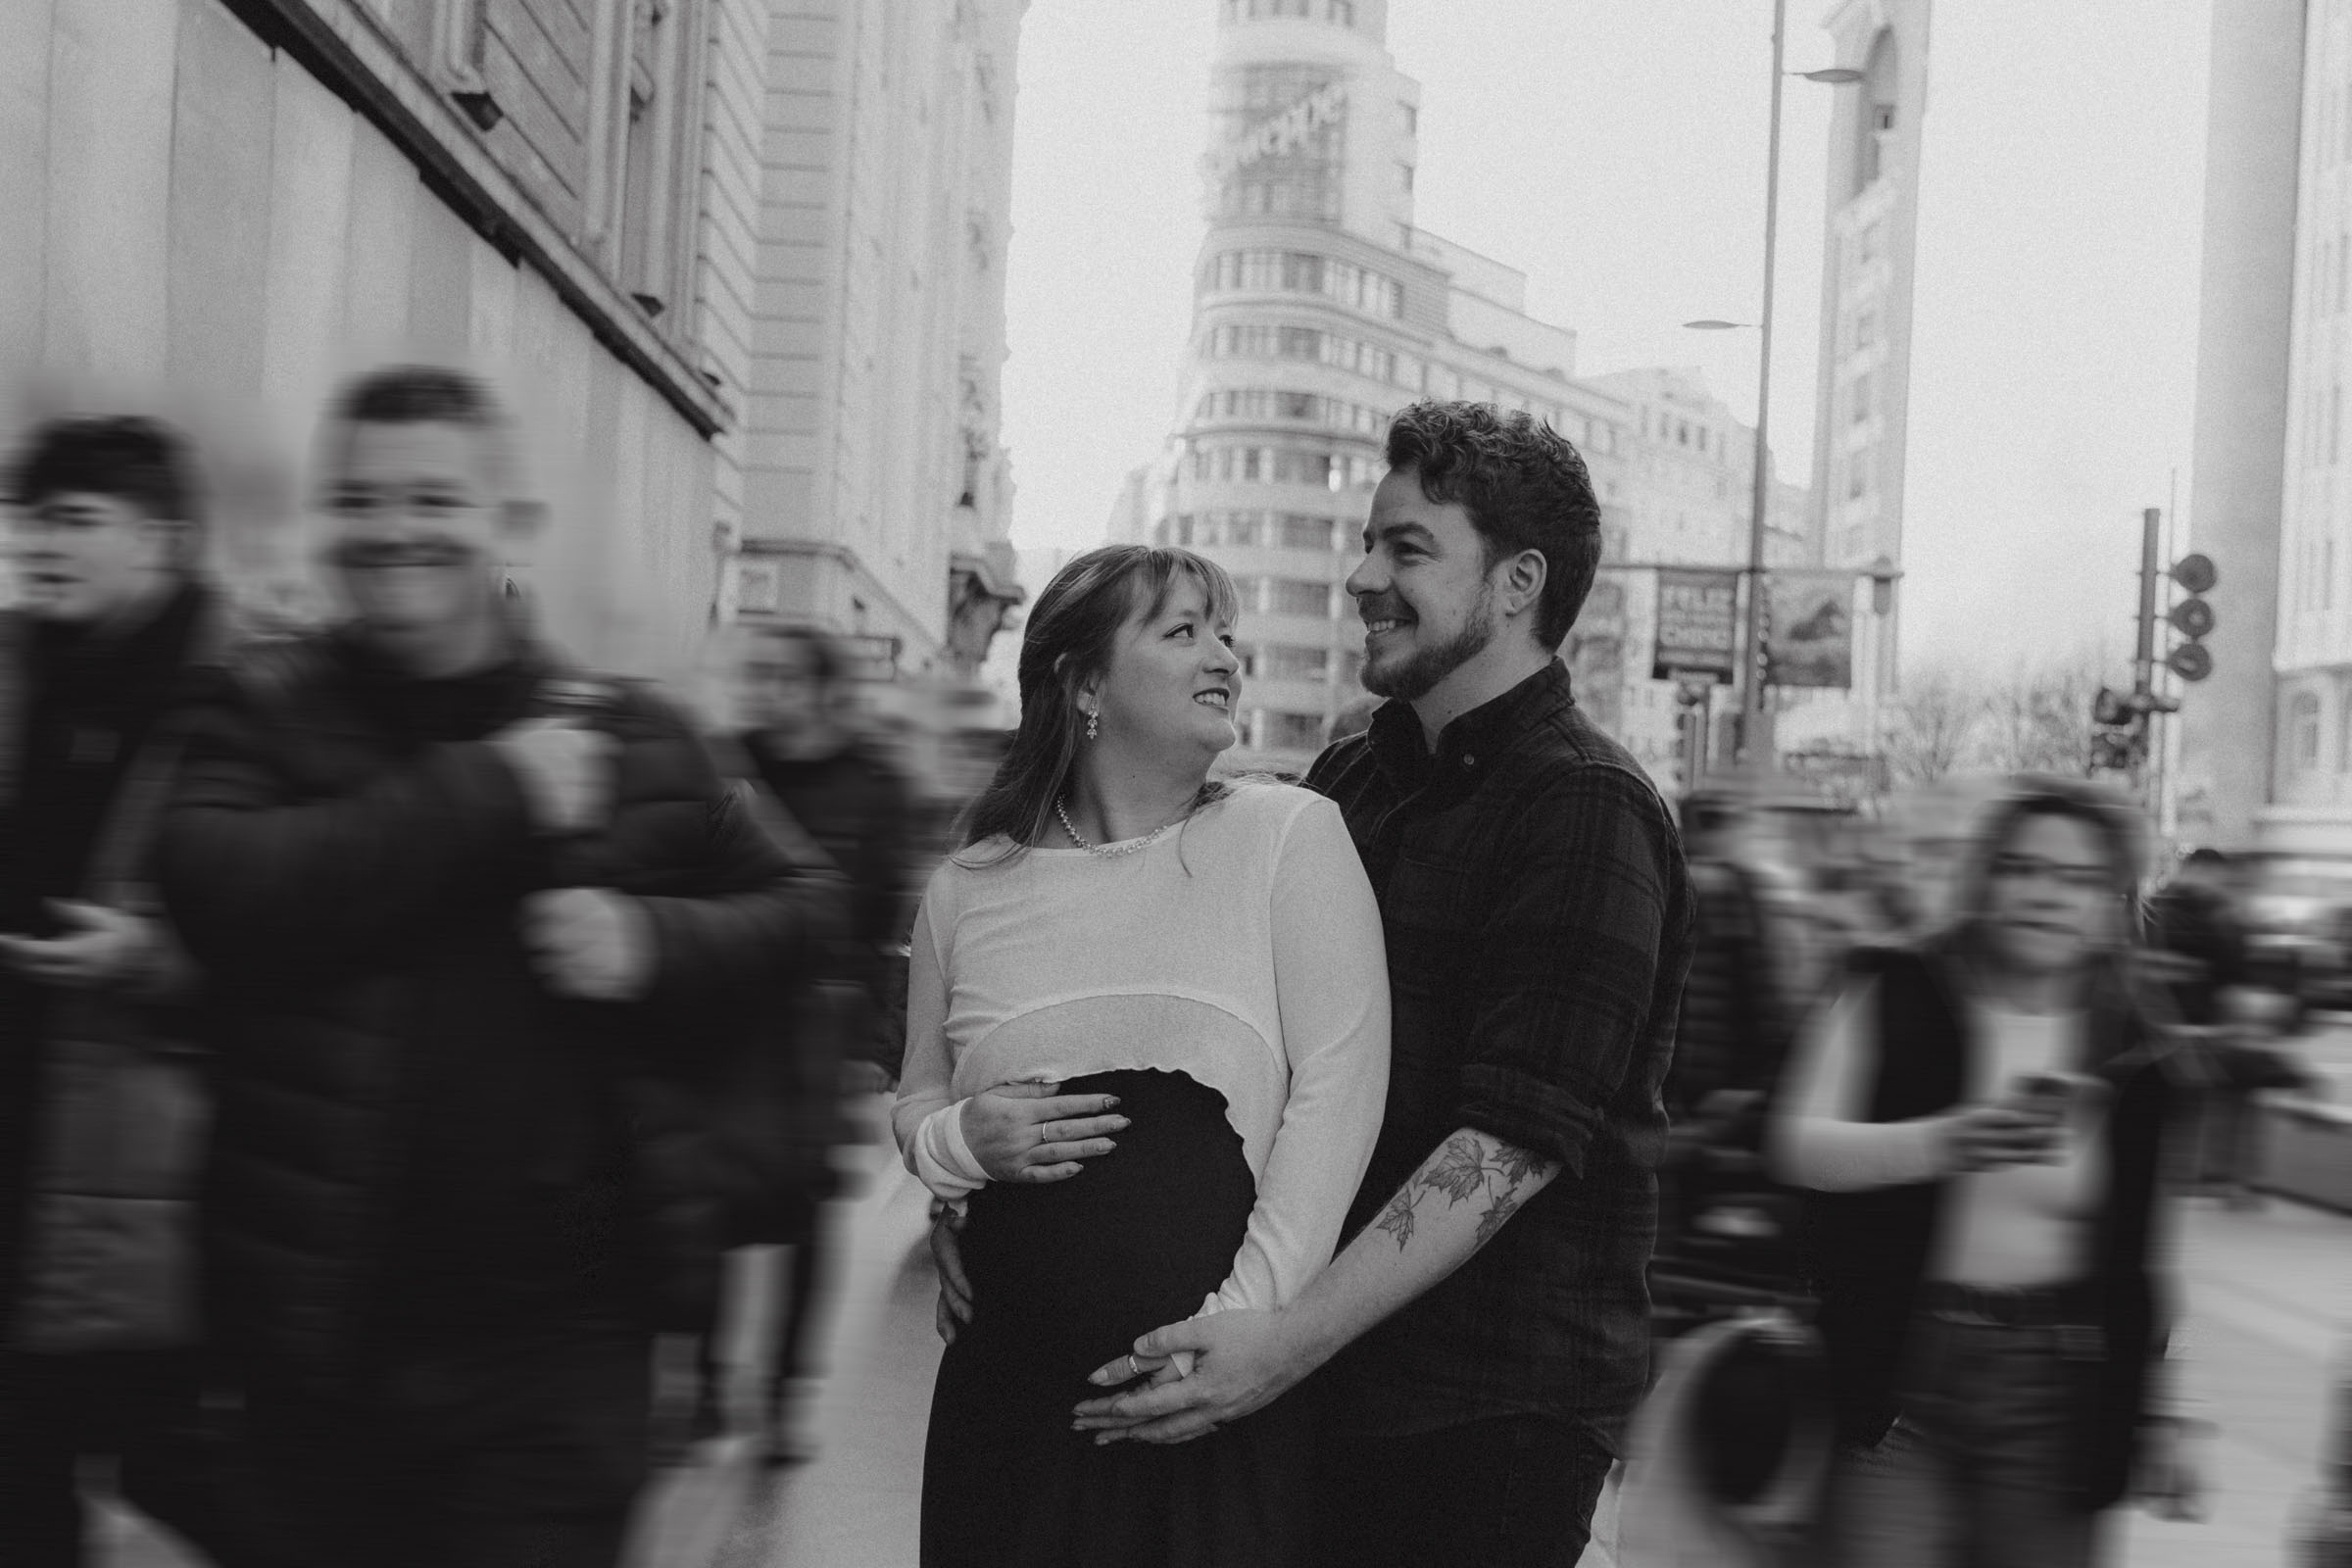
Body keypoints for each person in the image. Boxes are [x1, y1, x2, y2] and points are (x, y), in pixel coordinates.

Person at [157, 365, 842, 1568]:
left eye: (433, 497)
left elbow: (803, 902)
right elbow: (227, 889)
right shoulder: (258, 711)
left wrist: (651, 942)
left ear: (507, 525)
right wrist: (497, 787)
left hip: (559, 1361)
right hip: (316, 1348)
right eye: (361, 500)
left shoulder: (635, 733)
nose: (393, 530)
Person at [1066, 402, 1696, 1568]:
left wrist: (1284, 1341)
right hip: (1324, 1386)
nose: (1362, 576)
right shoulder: (1354, 775)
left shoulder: (1585, 805)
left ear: (1517, 583)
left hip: (1487, 1408)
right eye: (1368, 542)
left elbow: (1506, 1147)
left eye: (1406, 548)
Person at [894, 543, 1390, 1568]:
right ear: (1084, 683)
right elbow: (918, 1098)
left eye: (1226, 633)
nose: (1224, 656)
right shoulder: (966, 889)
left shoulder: (1289, 837)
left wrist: (1237, 1335)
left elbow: (1339, 1094)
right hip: (1010, 1417)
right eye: (1183, 631)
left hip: (1210, 1410)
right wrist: (956, 1149)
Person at [1768, 777, 2207, 1566]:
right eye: (2022, 867)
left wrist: (2160, 1414)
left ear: (2114, 902)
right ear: (1984, 877)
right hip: (1898, 1366)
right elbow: (1797, 1146)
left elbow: (2143, 1259)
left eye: (2077, 880)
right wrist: (1950, 1142)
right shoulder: (1890, 987)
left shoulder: (2139, 1048)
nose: (2045, 895)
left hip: (2059, 1385)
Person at [0, 416, 251, 1566]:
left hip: (151, 1192)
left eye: (72, 521)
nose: (40, 544)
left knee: (185, 1474)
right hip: (27, 1153)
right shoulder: (18, 669)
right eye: (31, 517)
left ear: (157, 539)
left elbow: (299, 938)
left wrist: (147, 960)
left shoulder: (238, 701)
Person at [687, 621, 914, 1465]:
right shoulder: (725, 765)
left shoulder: (873, 784)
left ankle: (783, 1392)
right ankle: (711, 1387)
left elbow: (887, 929)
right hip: (726, 1019)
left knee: (801, 1216)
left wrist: (877, 1046)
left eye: (785, 675)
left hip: (818, 1030)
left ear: (823, 687)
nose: (768, 689)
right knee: (708, 1200)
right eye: (760, 674)